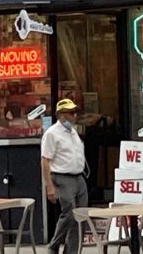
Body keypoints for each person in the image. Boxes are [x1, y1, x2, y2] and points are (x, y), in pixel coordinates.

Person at [41, 99, 88, 254]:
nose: (74, 116)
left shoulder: (73, 132)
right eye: (71, 113)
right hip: (62, 177)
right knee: (69, 213)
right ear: (61, 115)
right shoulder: (51, 134)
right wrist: (49, 186)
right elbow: (45, 160)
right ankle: (54, 244)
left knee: (80, 216)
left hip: (78, 177)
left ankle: (71, 251)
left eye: (75, 113)